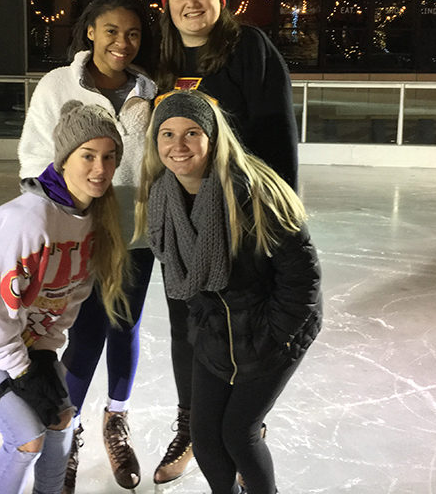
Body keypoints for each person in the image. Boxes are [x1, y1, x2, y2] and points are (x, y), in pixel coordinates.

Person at [0, 101, 128, 494]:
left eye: (109, 157)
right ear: (64, 159)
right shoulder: (30, 220)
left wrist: (45, 352)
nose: (100, 169)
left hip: (12, 329)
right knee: (27, 437)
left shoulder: (94, 221)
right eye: (88, 156)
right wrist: (22, 369)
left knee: (63, 421)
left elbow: (68, 297)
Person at [152, 0, 301, 483]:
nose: (192, 4)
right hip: (180, 223)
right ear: (166, 5)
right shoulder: (161, 56)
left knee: (241, 322)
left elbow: (279, 142)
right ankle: (193, 425)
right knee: (185, 326)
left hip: (240, 221)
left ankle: (240, 427)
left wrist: (274, 225)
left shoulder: (251, 50)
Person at [135, 90, 321, 494]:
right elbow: (185, 280)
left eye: (191, 132)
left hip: (271, 330)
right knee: (204, 437)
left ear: (214, 137)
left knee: (239, 434)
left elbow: (302, 277)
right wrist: (204, 326)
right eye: (166, 134)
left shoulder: (256, 193)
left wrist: (273, 334)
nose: (177, 146)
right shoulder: (165, 197)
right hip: (216, 328)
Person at [17, 0, 157, 492]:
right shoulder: (58, 86)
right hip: (77, 234)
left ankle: (115, 420)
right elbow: (34, 157)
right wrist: (67, 216)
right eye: (112, 31)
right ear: (91, 32)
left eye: (133, 33)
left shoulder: (148, 90)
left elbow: (155, 164)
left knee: (125, 327)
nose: (123, 42)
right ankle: (67, 430)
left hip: (137, 238)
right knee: (85, 334)